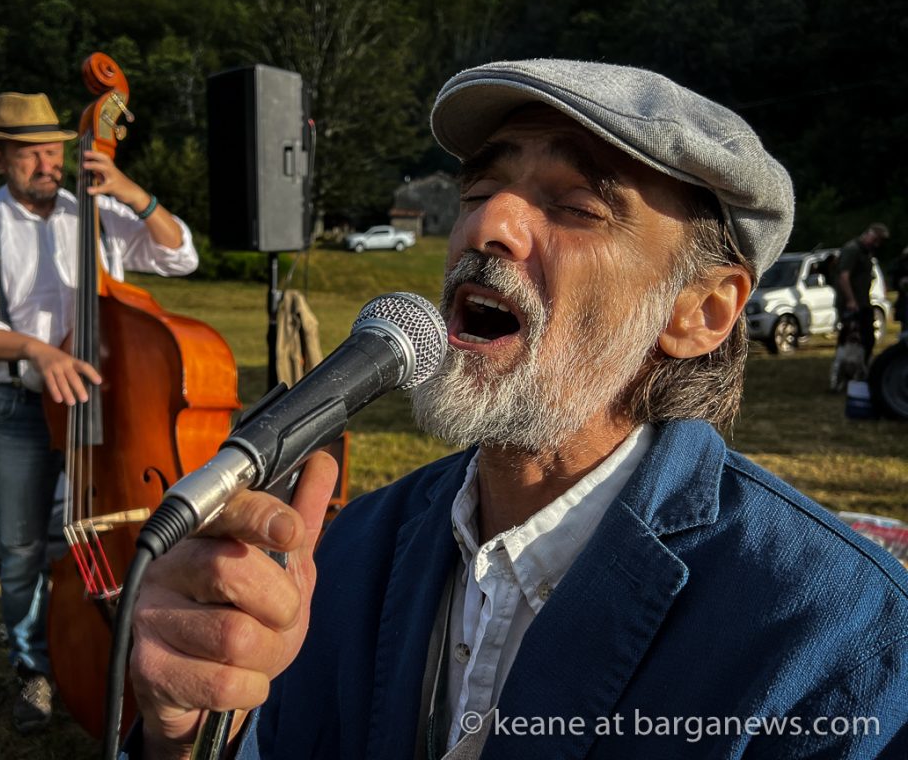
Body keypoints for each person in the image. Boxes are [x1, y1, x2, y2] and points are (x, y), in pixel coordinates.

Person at [126, 61, 908, 759]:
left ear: (700, 312)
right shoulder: (348, 553)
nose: (485, 224)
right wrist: (185, 735)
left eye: (575, 206)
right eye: (477, 190)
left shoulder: (839, 633)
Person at [0, 91, 198, 733]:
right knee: (25, 543)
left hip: (108, 407)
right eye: (29, 153)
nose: (46, 163)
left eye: (53, 149)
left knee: (136, 529)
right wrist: (33, 350)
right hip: (22, 405)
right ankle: (33, 668)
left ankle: (144, 647)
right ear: (0, 156)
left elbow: (180, 254)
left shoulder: (99, 211)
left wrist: (133, 192)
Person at [837, 222, 889, 363]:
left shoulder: (866, 252)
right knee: (849, 337)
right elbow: (844, 276)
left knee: (867, 339)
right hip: (852, 304)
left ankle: (861, 368)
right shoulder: (852, 250)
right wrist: (850, 300)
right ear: (870, 235)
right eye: (877, 240)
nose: (877, 244)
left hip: (863, 302)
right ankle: (845, 371)